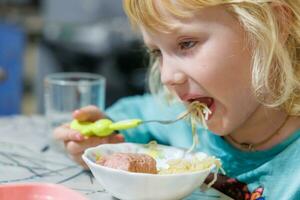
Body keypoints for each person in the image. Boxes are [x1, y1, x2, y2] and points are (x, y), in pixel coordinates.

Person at [54, 0, 300, 199]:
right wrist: (102, 135)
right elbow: (134, 112)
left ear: (277, 24)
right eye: (157, 52)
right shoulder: (181, 118)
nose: (167, 77)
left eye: (187, 44)